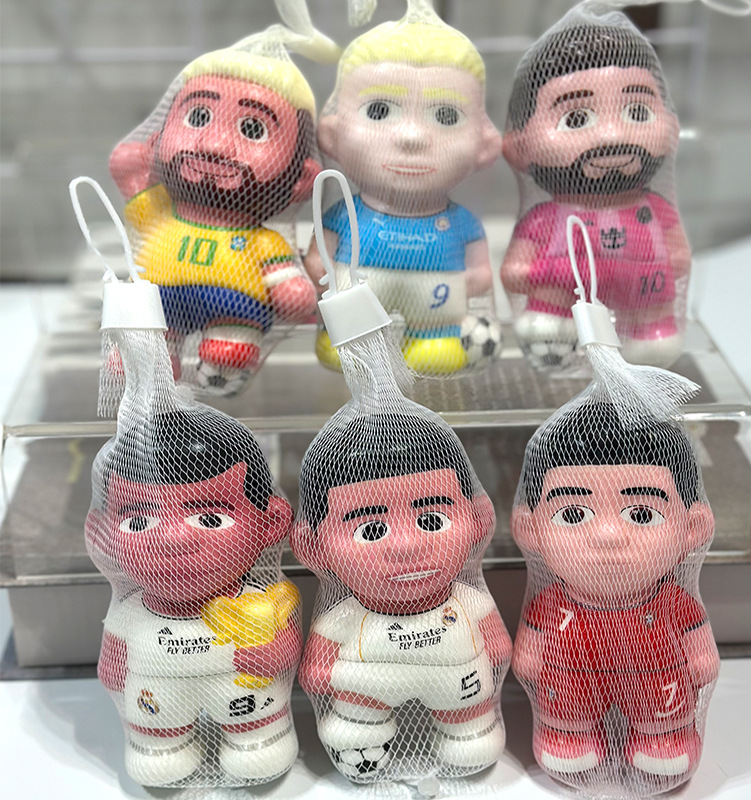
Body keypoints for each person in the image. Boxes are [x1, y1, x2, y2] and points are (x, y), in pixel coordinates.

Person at [86, 408, 301, 785]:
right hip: (156, 697)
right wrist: (114, 672)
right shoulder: (132, 612)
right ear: (101, 534)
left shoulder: (257, 602)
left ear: (270, 524)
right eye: (140, 521)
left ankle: (258, 739)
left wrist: (271, 653)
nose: (174, 540)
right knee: (159, 755)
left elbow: (283, 648)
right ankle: (161, 747)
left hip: (244, 697)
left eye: (210, 519)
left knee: (259, 747)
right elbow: (114, 663)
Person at [292, 413, 511, 780]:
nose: (406, 547)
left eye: (432, 520)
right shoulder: (347, 614)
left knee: (469, 727)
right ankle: (361, 744)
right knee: (356, 721)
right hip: (364, 687)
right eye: (370, 530)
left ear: (479, 521)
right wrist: (320, 670)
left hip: (459, 683)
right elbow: (318, 668)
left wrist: (497, 649)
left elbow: (498, 646)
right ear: (312, 545)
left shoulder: (465, 600)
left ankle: (468, 734)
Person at [512, 402, 719, 779]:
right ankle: (567, 734)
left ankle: (663, 737)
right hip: (570, 676)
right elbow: (532, 645)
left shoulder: (671, 601)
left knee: (662, 708)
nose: (608, 536)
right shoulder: (553, 601)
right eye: (573, 514)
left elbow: (695, 637)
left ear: (692, 529)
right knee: (567, 707)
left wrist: (700, 657)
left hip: (657, 677)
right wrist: (529, 655)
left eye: (642, 514)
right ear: (530, 530)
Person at [109, 47, 320, 392]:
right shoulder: (162, 213)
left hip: (235, 307)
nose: (214, 145)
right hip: (156, 299)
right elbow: (134, 191)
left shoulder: (262, 240)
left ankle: (225, 363)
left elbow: (285, 282)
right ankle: (150, 366)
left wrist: (290, 289)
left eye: (252, 128)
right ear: (157, 139)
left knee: (230, 350)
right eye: (198, 116)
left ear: (301, 177)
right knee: (145, 347)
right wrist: (132, 174)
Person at [303, 18, 501, 375]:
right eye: (378, 111)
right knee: (350, 340)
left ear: (484, 145)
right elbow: (321, 253)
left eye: (446, 115)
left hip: (436, 298)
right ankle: (347, 340)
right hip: (358, 292)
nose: (412, 137)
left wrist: (476, 278)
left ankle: (435, 340)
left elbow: (480, 270)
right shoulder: (346, 213)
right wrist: (319, 265)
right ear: (333, 135)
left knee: (436, 352)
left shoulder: (460, 222)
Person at [501, 23, 690, 368]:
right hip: (561, 289)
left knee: (652, 342)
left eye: (637, 112)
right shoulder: (547, 217)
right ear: (520, 145)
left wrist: (677, 258)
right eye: (576, 118)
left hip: (645, 289)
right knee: (548, 320)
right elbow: (518, 264)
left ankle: (650, 335)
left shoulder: (655, 209)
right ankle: (554, 332)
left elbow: (678, 252)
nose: (613, 135)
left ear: (671, 128)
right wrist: (521, 269)